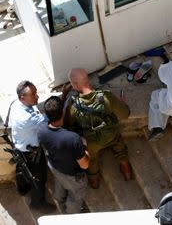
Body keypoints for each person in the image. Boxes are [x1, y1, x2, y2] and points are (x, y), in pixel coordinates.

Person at [64, 68, 131, 189]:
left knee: (91, 159)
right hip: (111, 134)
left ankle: (94, 180)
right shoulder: (106, 96)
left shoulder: (73, 107)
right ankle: (126, 169)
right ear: (87, 79)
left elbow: (68, 126)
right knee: (119, 145)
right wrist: (122, 103)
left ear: (74, 85)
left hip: (92, 142)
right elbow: (125, 114)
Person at [8, 80, 55, 212]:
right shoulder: (28, 119)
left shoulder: (16, 104)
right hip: (32, 153)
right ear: (23, 98)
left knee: (22, 170)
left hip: (20, 147)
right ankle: (37, 203)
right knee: (39, 179)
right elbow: (50, 117)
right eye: (33, 94)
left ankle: (23, 189)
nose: (37, 96)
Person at [38, 96, 90, 214]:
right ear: (62, 112)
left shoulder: (41, 129)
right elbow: (85, 165)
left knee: (60, 182)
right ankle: (71, 213)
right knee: (75, 197)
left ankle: (59, 197)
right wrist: (85, 147)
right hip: (72, 176)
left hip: (55, 166)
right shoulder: (73, 139)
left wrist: (64, 94)